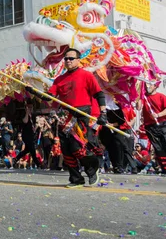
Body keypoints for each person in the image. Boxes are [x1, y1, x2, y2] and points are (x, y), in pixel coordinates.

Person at [27, 48, 107, 187]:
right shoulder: (59, 79)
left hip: (81, 114)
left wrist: (103, 113)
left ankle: (92, 168)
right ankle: (76, 179)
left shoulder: (86, 75)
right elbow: (50, 97)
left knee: (78, 147)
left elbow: (99, 95)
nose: (68, 61)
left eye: (71, 58)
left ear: (78, 60)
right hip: (64, 115)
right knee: (66, 149)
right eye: (66, 59)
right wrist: (35, 92)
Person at [142, 84, 166, 174]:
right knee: (158, 148)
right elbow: (138, 107)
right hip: (150, 126)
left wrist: (158, 115)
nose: (147, 87)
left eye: (149, 85)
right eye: (146, 85)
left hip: (162, 124)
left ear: (155, 86)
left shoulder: (161, 96)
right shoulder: (143, 97)